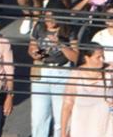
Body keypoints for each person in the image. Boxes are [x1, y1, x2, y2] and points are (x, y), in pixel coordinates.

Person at [28, 9, 79, 137]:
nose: (49, 21)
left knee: (61, 117)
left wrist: (60, 45)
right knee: (38, 118)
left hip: (61, 72)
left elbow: (76, 57)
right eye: (47, 17)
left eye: (53, 18)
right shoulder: (39, 26)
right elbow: (31, 47)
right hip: (41, 71)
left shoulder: (69, 30)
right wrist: (36, 52)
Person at [58, 43, 113, 137]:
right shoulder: (76, 74)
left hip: (106, 129)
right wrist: (63, 133)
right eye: (98, 57)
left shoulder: (109, 71)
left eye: (103, 56)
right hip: (81, 129)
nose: (102, 60)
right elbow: (67, 104)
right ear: (87, 58)